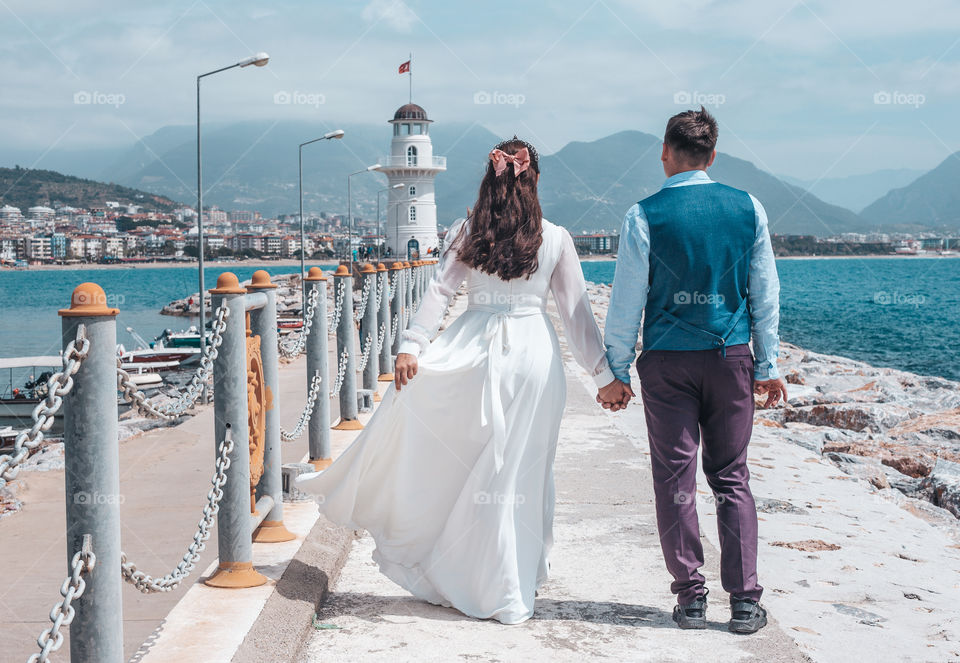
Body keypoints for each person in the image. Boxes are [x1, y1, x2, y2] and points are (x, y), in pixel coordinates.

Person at [299, 137, 616, 624]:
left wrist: (412, 345)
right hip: (534, 355)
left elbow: (440, 289)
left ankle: (474, 575)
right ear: (534, 179)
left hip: (474, 348)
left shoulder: (470, 230)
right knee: (521, 473)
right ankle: (509, 582)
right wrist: (603, 375)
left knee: (473, 469)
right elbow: (576, 315)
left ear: (490, 178)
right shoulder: (555, 237)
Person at [599, 107, 787, 635]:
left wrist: (617, 373)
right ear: (712, 156)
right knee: (732, 476)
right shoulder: (748, 207)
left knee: (675, 478)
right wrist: (768, 363)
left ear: (665, 154)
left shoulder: (643, 215)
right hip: (730, 359)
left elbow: (626, 303)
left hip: (666, 362)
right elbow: (764, 293)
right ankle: (746, 601)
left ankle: (691, 598)